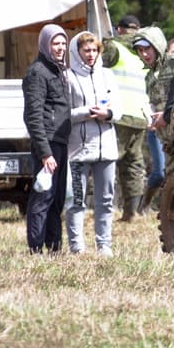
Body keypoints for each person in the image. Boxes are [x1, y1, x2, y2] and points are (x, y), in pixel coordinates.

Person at [64, 32, 118, 255]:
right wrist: (87, 112)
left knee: (105, 200)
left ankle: (104, 245)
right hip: (78, 151)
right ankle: (77, 246)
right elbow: (64, 114)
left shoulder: (108, 75)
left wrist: (109, 114)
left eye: (95, 50)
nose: (91, 54)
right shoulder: (67, 77)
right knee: (76, 200)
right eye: (86, 50)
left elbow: (119, 110)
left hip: (107, 150)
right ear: (76, 52)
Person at [23, 24, 71, 253]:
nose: (60, 48)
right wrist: (45, 153)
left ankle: (54, 248)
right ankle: (35, 248)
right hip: (48, 144)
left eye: (63, 43)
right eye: (55, 43)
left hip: (60, 142)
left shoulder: (58, 70)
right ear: (45, 45)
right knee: (43, 196)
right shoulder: (38, 73)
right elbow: (33, 116)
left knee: (57, 198)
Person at [101, 15, 151, 222]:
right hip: (139, 116)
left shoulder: (112, 47)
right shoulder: (143, 52)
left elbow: (97, 75)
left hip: (118, 115)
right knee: (133, 164)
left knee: (106, 161)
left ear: (119, 29)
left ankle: (100, 208)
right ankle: (132, 212)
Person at [131, 26, 174, 211]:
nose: (144, 54)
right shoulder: (149, 77)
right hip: (167, 140)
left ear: (157, 46)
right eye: (140, 50)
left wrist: (168, 115)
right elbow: (154, 104)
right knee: (171, 179)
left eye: (147, 48)